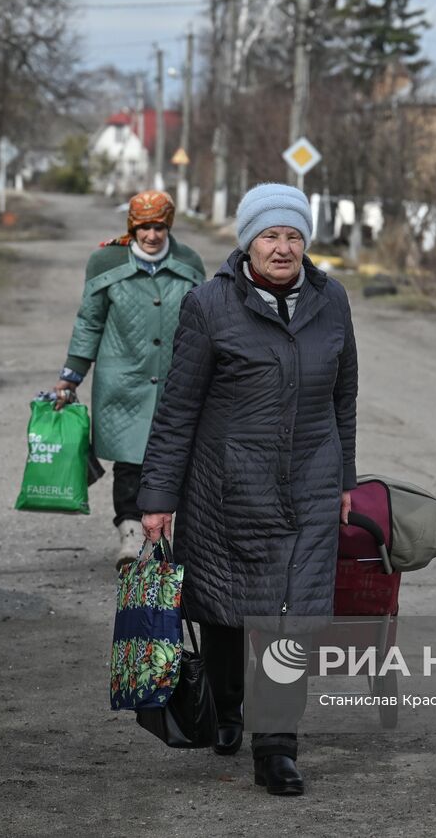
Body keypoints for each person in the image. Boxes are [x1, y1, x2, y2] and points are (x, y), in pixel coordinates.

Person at [137, 182, 359, 797]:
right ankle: (227, 708)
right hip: (228, 485)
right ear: (247, 243)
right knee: (229, 611)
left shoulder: (331, 299)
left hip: (310, 484)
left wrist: (344, 478)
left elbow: (345, 395)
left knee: (291, 620)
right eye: (270, 235)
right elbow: (177, 408)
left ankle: (277, 749)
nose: (283, 247)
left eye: (293, 235)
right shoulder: (210, 305)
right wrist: (157, 498)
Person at [53, 190, 206, 568]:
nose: (152, 235)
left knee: (176, 460)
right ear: (132, 227)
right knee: (130, 463)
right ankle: (131, 536)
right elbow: (90, 321)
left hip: (176, 381)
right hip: (124, 380)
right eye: (144, 227)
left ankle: (170, 541)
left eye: (159, 226)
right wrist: (71, 376)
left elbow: (206, 323)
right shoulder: (105, 262)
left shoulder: (188, 262)